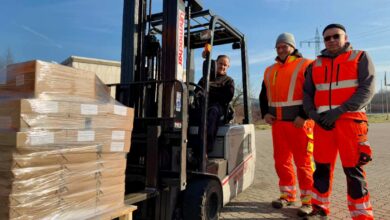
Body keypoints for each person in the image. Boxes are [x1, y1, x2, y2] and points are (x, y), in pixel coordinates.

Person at [303, 24, 375, 220]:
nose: (332, 40)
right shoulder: (314, 64)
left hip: (351, 122)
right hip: (322, 123)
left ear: (346, 37)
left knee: (353, 170)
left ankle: (361, 215)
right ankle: (319, 209)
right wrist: (312, 113)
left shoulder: (360, 57)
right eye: (327, 38)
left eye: (336, 36)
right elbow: (307, 93)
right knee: (322, 169)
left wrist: (341, 110)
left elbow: (367, 89)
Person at [259, 32, 314, 217]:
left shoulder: (305, 65)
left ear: (293, 47)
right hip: (278, 125)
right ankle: (287, 195)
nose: (281, 49)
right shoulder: (269, 70)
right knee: (281, 161)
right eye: (278, 46)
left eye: (285, 46)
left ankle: (308, 200)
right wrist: (266, 113)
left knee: (303, 162)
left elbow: (312, 92)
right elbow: (262, 95)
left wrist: (304, 115)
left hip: (300, 124)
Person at [196, 54, 234, 153]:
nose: (222, 66)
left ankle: (205, 150)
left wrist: (210, 91)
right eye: (220, 63)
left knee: (212, 111)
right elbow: (197, 91)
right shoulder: (205, 78)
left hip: (218, 108)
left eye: (225, 65)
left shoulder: (229, 81)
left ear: (228, 67)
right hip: (204, 105)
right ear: (215, 63)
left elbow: (227, 97)